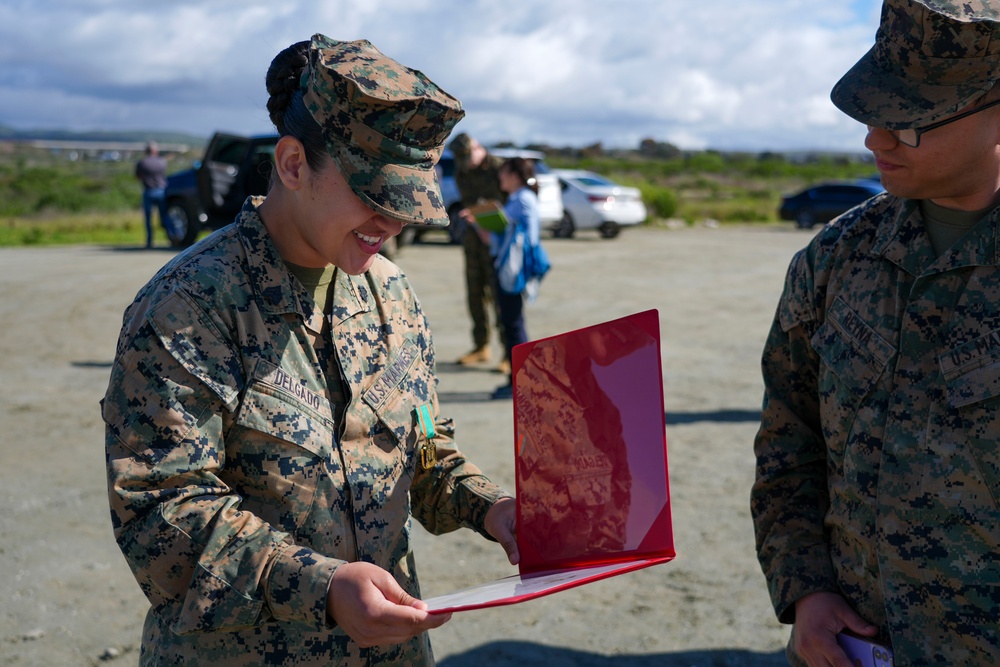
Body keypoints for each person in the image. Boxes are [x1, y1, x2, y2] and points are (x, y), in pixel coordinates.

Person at [102, 35, 518, 666]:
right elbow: (161, 512)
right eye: (373, 196)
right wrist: (320, 587)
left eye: (404, 204)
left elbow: (424, 452)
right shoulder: (188, 308)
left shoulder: (393, 295)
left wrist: (494, 510)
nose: (391, 224)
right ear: (293, 164)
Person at [751, 1, 1000, 664]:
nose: (876, 141)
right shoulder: (834, 257)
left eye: (909, 122)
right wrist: (805, 589)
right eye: (871, 112)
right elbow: (789, 446)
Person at [481, 157, 542, 399]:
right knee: (512, 323)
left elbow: (504, 231)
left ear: (515, 176)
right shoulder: (520, 199)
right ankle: (517, 379)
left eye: (504, 173)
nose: (500, 178)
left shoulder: (522, 199)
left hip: (512, 270)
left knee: (513, 325)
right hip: (509, 267)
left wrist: (483, 220)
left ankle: (520, 382)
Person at [448, 133, 508, 373]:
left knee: (499, 296)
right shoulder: (462, 171)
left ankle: (508, 353)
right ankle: (481, 345)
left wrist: (483, 211)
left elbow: (507, 201)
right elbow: (468, 201)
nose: (467, 164)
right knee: (474, 292)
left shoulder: (499, 167)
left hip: (497, 238)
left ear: (477, 147)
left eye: (468, 157)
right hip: (474, 237)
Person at [134, 141, 171, 248]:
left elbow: (137, 177)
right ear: (156, 151)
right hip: (161, 191)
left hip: (149, 191)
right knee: (164, 216)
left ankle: (150, 241)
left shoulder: (142, 163)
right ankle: (172, 237)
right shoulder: (163, 162)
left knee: (148, 219)